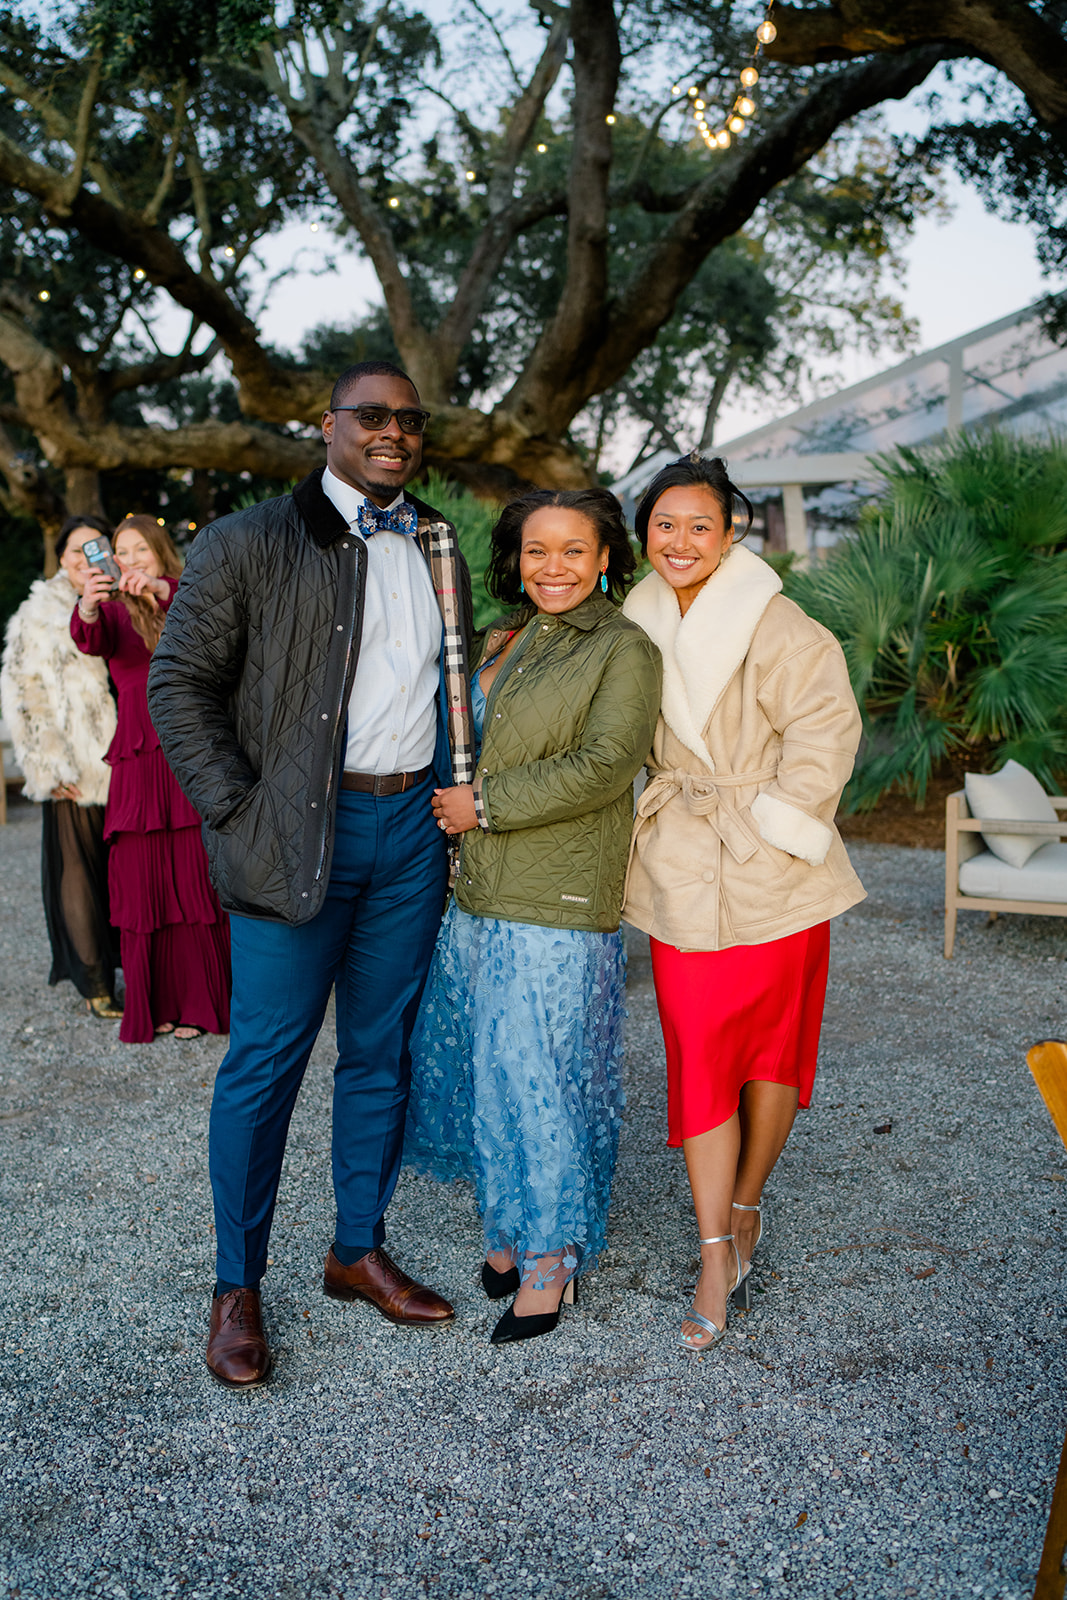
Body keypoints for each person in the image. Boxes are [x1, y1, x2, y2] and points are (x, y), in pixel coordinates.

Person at [147, 361, 477, 1390]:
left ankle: (353, 1249)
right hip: (293, 836)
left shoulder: (436, 540)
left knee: (379, 1053)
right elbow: (179, 683)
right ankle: (234, 1286)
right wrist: (240, 810)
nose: (393, 433)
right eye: (372, 416)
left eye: (409, 421)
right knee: (266, 1064)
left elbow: (450, 677)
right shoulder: (245, 538)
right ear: (327, 425)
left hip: (408, 832)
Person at [405, 487, 662, 1346]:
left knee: (543, 1077)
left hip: (555, 897)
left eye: (573, 552)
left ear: (603, 560)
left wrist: (483, 804)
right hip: (478, 891)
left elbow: (603, 763)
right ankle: (511, 1229)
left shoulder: (623, 647)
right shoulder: (501, 639)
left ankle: (554, 1258)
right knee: (495, 1074)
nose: (552, 568)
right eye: (535, 551)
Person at [621, 453, 865, 1353]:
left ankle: (748, 1204)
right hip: (684, 861)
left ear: (730, 533)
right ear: (643, 533)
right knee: (698, 1056)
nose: (679, 541)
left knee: (770, 1056)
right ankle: (714, 1248)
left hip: (771, 869)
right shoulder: (630, 621)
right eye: (663, 525)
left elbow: (826, 729)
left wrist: (777, 822)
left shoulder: (778, 622)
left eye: (699, 525)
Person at [71, 515, 231, 1045]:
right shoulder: (112, 612)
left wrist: (161, 590)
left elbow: (210, 621)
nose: (130, 558)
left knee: (193, 882)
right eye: (121, 551)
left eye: (140, 549)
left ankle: (201, 1003)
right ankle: (154, 1001)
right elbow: (89, 638)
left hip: (186, 750)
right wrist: (90, 603)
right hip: (139, 764)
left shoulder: (183, 593)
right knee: (143, 885)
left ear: (161, 553)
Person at [1, 514, 121, 1017]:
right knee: (81, 872)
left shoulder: (129, 597)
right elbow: (24, 697)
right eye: (75, 551)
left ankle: (139, 969)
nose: (84, 559)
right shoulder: (40, 613)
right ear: (62, 559)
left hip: (133, 764)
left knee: (127, 875)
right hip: (78, 766)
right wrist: (49, 770)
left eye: (95, 548)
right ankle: (95, 981)